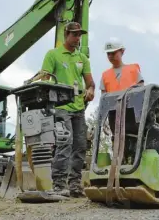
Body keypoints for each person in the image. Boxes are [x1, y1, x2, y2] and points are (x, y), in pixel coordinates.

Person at [40, 21, 95, 197]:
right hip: (60, 107)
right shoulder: (53, 55)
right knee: (65, 143)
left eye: (80, 34)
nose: (78, 38)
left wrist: (90, 90)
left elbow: (90, 83)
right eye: (74, 34)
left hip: (79, 108)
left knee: (80, 146)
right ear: (66, 35)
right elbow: (44, 78)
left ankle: (74, 185)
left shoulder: (82, 59)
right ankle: (58, 184)